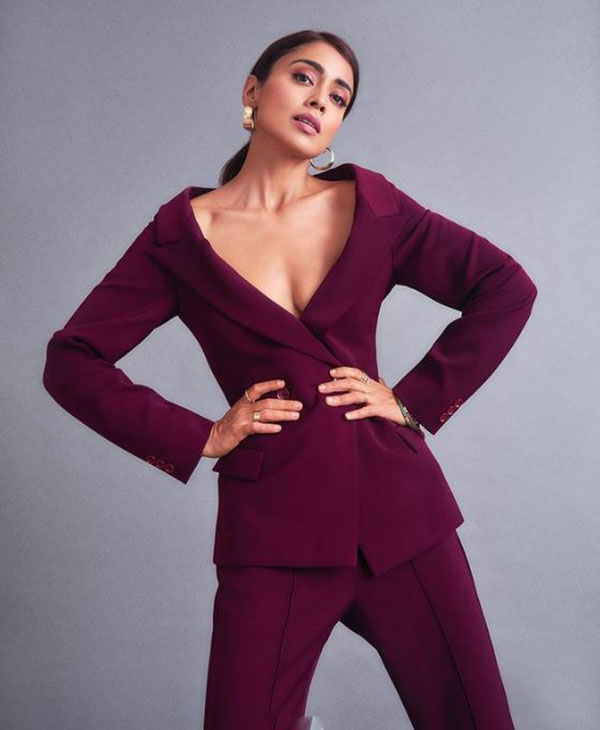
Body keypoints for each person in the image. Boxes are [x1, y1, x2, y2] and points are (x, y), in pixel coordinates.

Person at [43, 29, 537, 730]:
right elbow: (72, 359)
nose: (320, 101)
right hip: (273, 526)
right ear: (253, 91)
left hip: (401, 514)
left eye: (339, 97)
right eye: (305, 78)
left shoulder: (374, 206)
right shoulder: (179, 237)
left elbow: (505, 286)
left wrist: (412, 400)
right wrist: (201, 435)